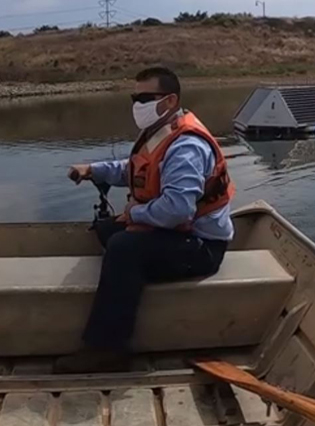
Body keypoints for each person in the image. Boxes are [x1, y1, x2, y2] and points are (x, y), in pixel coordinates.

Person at [55, 67, 235, 374]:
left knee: (124, 247)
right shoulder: (161, 134)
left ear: (169, 101)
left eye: (144, 98)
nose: (137, 104)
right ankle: (128, 288)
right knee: (108, 230)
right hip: (179, 235)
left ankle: (107, 348)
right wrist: (94, 170)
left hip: (202, 246)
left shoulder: (186, 146)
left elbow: (178, 210)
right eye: (134, 97)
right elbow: (135, 170)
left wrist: (134, 213)